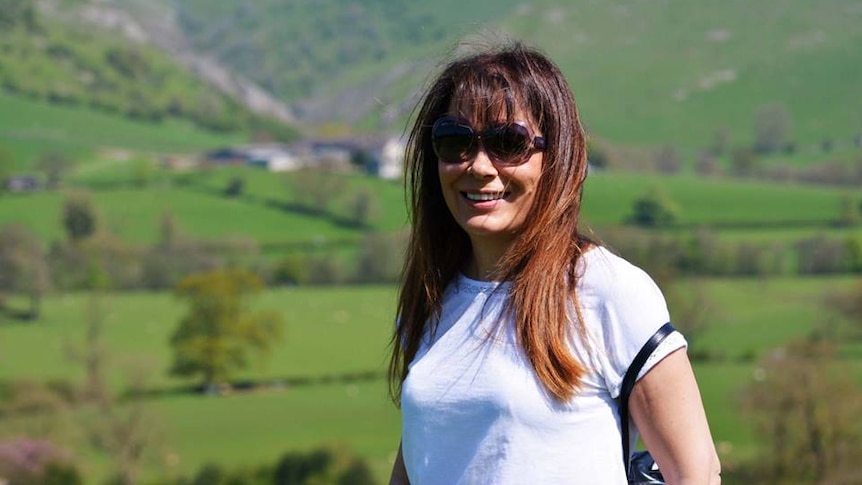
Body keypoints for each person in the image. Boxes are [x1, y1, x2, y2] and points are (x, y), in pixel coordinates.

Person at [387, 41, 721, 484]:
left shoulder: (607, 292)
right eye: (455, 141)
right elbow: (422, 459)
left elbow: (695, 475)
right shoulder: (429, 300)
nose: (480, 166)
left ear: (556, 158)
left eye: (509, 142)